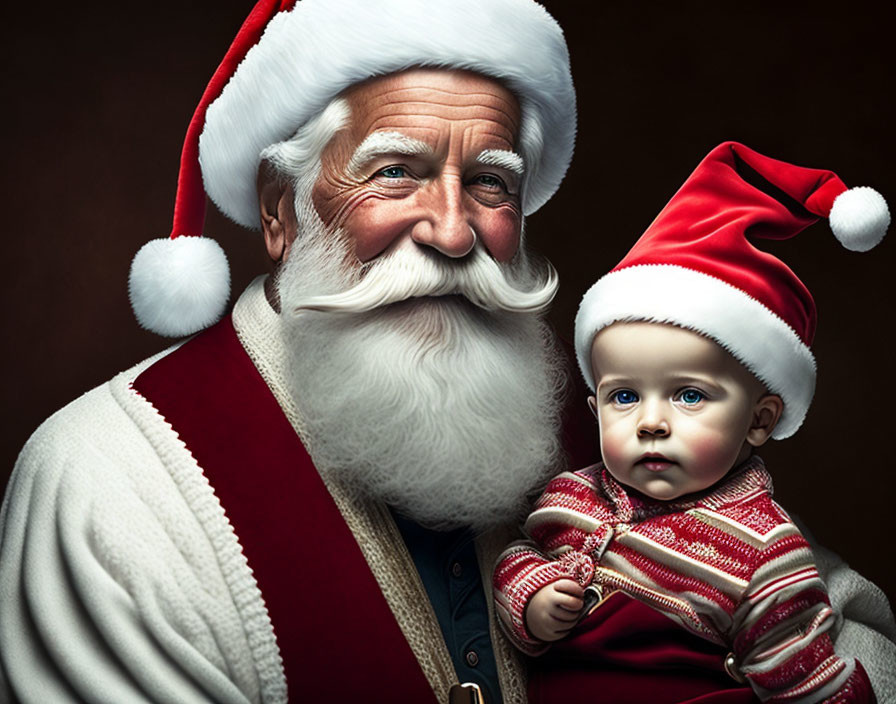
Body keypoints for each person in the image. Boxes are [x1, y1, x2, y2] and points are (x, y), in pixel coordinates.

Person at [0, 0, 891, 699]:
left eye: (491, 182)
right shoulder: (108, 482)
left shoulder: (605, 413)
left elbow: (827, 620)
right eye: (397, 170)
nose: (455, 230)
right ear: (282, 209)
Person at [493, 142, 896, 703]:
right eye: (625, 397)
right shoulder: (571, 496)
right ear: (594, 410)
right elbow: (519, 557)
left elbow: (803, 680)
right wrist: (533, 600)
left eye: (688, 395)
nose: (651, 423)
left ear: (759, 420)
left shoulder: (767, 550)